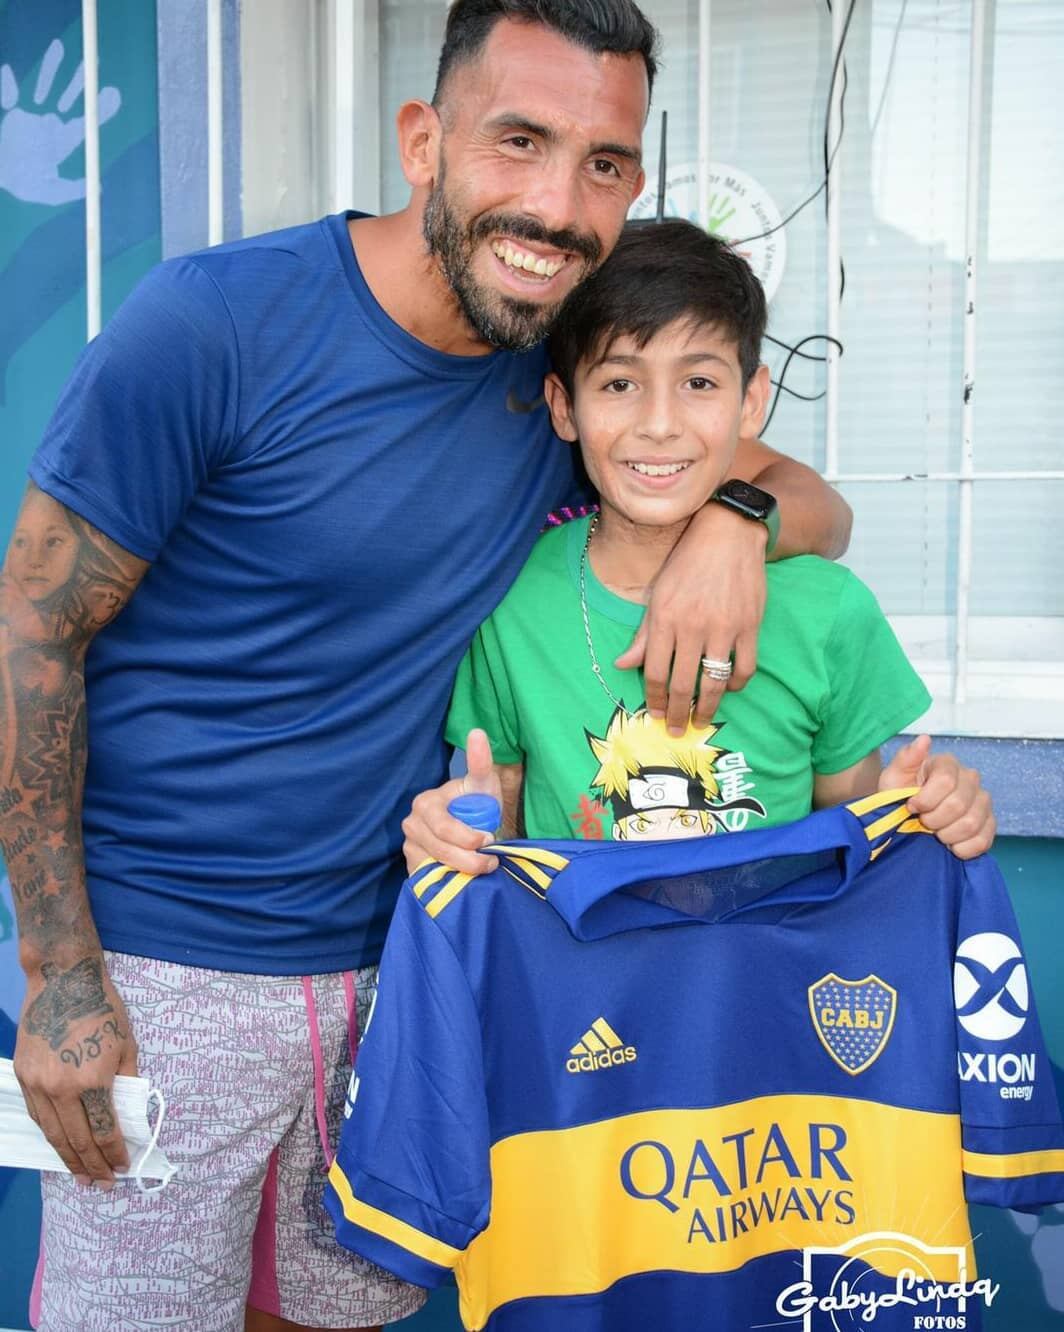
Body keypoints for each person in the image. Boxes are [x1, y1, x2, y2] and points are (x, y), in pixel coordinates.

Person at [1, 5, 852, 1332]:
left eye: (606, 164)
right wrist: (55, 976)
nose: (560, 203)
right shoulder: (216, 326)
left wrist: (732, 530)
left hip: (410, 962)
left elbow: (807, 497)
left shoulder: (566, 380)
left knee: (340, 1315)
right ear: (422, 139)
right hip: (171, 974)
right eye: (520, 140)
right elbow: (34, 628)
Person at [402, 220, 996, 872]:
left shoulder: (830, 612)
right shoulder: (513, 600)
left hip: (766, 970)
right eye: (619, 384)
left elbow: (858, 842)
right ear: (564, 405)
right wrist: (458, 836)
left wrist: (921, 814)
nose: (659, 425)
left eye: (699, 383)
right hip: (580, 972)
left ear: (752, 402)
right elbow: (503, 830)